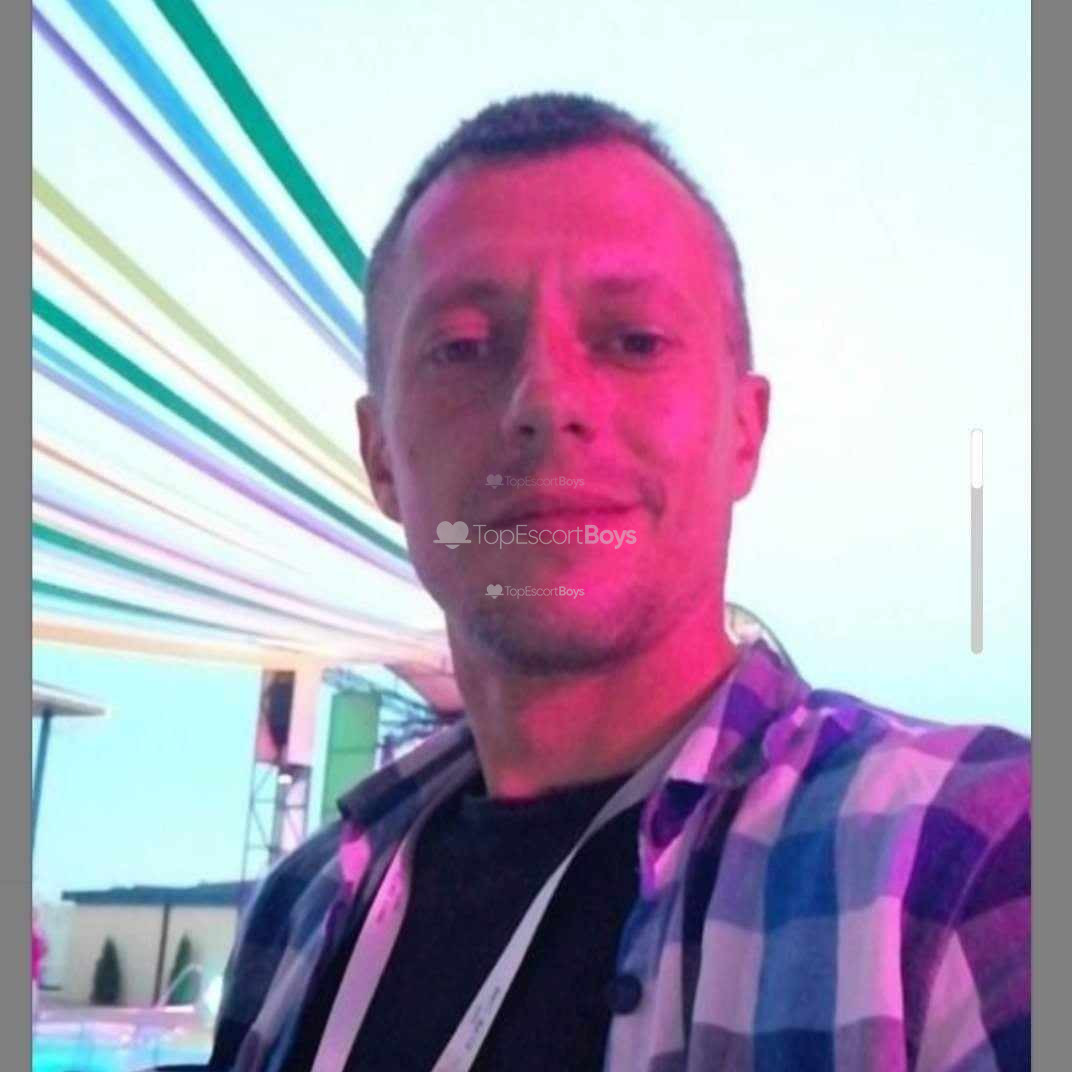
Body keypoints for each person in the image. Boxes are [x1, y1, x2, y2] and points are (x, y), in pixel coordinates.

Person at [207, 93, 1030, 1072]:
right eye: (462, 346)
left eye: (633, 340)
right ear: (380, 456)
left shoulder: (970, 860)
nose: (546, 401)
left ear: (744, 431)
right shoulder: (300, 917)